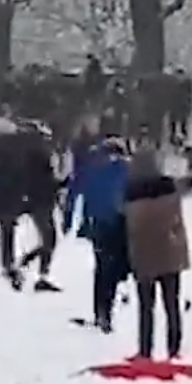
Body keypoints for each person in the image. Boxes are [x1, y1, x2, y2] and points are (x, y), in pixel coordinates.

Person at [124, 146, 192, 360]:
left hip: (143, 256)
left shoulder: (128, 193)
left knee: (146, 307)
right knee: (172, 304)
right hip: (170, 251)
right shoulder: (171, 187)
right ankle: (174, 350)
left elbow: (121, 222)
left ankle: (145, 350)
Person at [63, 133, 131, 332]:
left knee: (102, 268)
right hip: (120, 222)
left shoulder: (91, 168)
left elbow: (74, 192)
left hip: (97, 224)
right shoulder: (128, 169)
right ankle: (106, 308)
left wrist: (69, 219)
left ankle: (102, 311)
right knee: (115, 265)